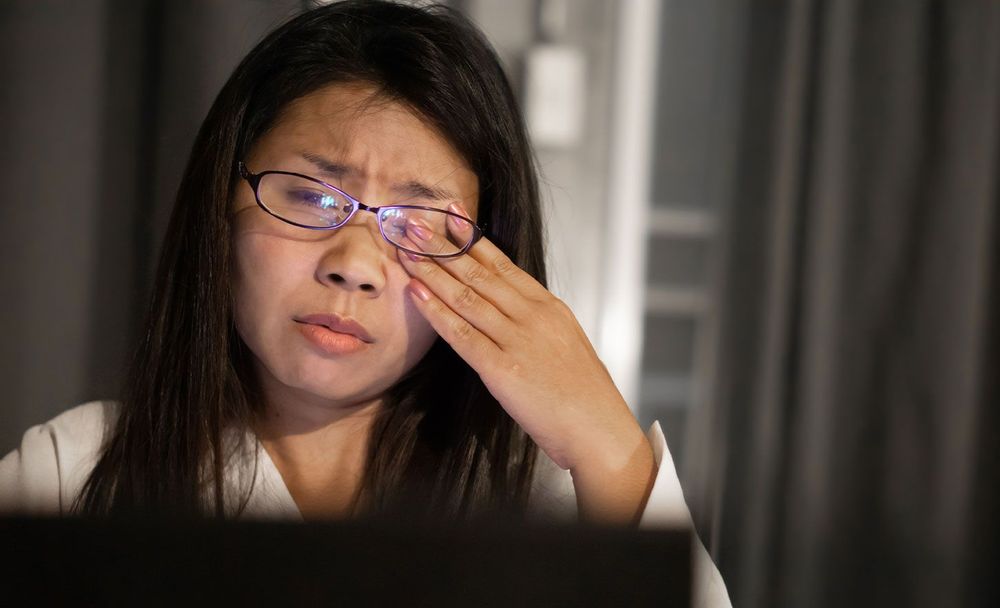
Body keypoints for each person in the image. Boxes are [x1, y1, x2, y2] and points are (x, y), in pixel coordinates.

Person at [0, 1, 730, 605]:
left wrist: (607, 442)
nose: (355, 266)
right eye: (312, 195)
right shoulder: (71, 476)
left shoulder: (556, 511)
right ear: (219, 203)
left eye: (416, 223)